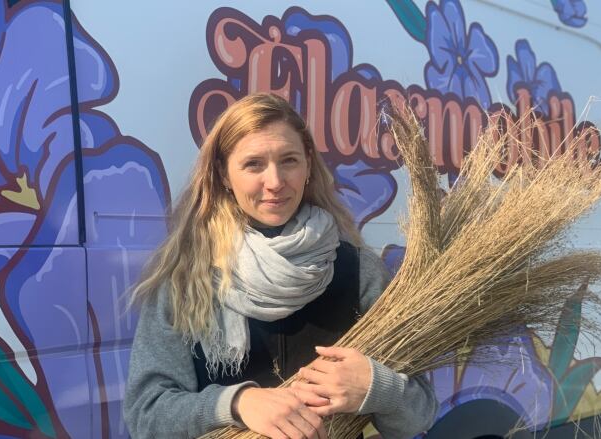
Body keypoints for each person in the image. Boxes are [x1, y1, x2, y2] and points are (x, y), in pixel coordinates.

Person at [122, 93, 439, 439]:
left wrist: (380, 389)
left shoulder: (357, 270)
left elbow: (418, 416)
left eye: (288, 161)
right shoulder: (186, 279)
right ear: (224, 175)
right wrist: (237, 402)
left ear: (307, 166)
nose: (274, 182)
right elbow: (146, 415)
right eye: (253, 164)